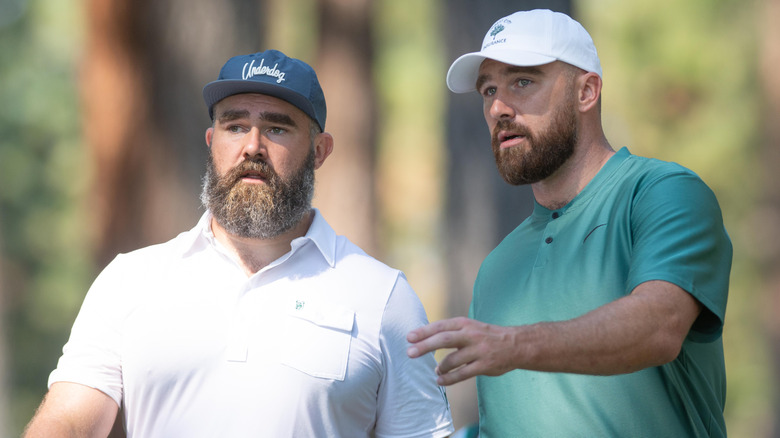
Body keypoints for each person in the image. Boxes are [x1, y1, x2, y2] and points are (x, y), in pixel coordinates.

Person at [25, 49, 454, 438]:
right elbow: (70, 421)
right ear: (212, 143)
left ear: (320, 152)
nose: (253, 147)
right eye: (235, 125)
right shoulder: (130, 281)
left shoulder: (383, 298)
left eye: (277, 129)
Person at [407, 9, 732, 437]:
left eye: (522, 81)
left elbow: (660, 327)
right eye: (488, 90)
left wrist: (515, 345)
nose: (498, 108)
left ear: (586, 91)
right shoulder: (497, 268)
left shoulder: (662, 192)